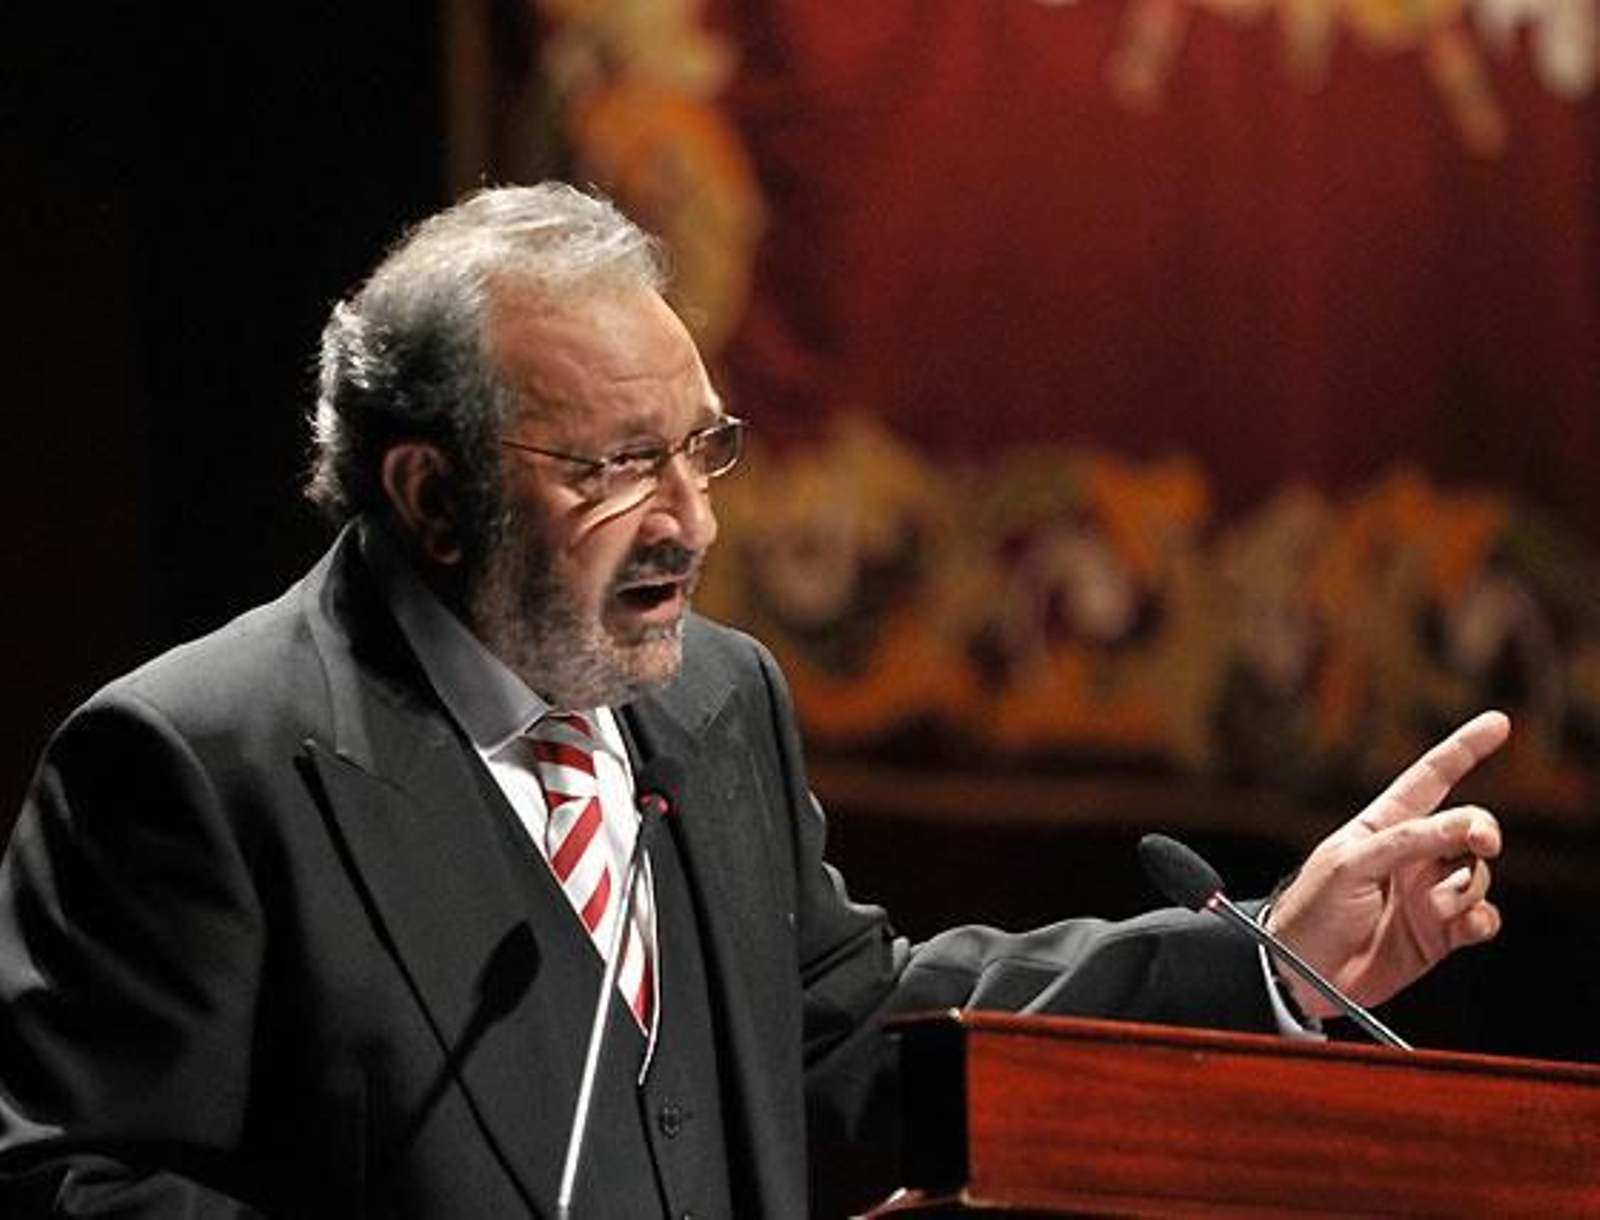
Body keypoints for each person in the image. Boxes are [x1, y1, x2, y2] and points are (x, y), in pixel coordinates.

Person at [0, 183, 1507, 1219]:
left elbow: (841, 1046)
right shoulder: (196, 762)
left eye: (699, 450)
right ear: (431, 491)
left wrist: (1262, 967)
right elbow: (92, 1183)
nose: (686, 522)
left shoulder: (716, 701)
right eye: (609, 467)